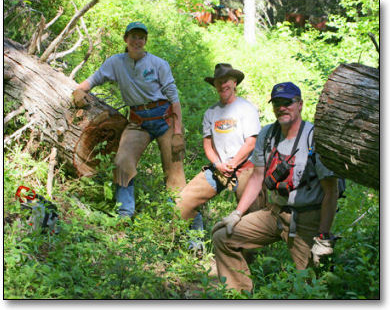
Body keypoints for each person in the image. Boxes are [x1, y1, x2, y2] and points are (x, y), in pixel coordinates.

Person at [212, 82, 339, 292]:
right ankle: (239, 295)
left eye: (287, 102)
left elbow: (330, 191)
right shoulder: (268, 134)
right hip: (274, 213)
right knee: (223, 237)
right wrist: (237, 213)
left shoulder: (315, 137)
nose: (282, 107)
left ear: (299, 104)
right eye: (277, 103)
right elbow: (257, 177)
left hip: (308, 218)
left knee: (312, 286)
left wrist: (323, 237)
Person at [74, 21, 186, 218]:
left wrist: (178, 133)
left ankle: (182, 223)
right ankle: (125, 213)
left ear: (145, 41)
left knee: (175, 173)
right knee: (122, 161)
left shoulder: (158, 64)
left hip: (165, 119)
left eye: (141, 37)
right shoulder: (116, 63)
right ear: (126, 39)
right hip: (138, 123)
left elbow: (174, 99)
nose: (137, 41)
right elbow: (94, 79)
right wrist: (79, 89)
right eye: (133, 36)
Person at [175, 63, 265, 245]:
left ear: (234, 83)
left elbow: (251, 142)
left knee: (253, 215)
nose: (222, 85)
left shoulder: (247, 108)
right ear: (215, 85)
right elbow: (207, 143)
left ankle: (250, 258)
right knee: (183, 202)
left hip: (246, 167)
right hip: (220, 168)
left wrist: (233, 164)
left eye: (226, 81)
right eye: (218, 82)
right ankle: (195, 245)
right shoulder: (211, 112)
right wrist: (217, 164)